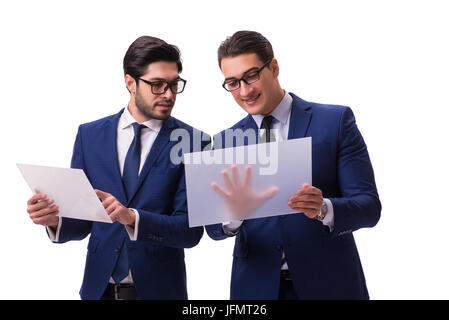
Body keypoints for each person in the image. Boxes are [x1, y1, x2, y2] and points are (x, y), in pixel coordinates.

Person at [26, 36, 207, 300]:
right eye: (157, 85)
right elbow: (83, 219)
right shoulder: (89, 136)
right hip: (98, 291)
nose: (169, 94)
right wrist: (54, 219)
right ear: (130, 82)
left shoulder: (194, 142)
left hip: (161, 292)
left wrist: (132, 218)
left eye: (174, 84)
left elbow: (189, 232)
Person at [206, 30, 381, 300]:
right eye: (232, 82)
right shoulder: (224, 142)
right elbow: (214, 229)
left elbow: (369, 207)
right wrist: (233, 214)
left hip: (330, 285)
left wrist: (324, 209)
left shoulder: (334, 122)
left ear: (273, 67)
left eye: (251, 76)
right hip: (255, 289)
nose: (244, 91)